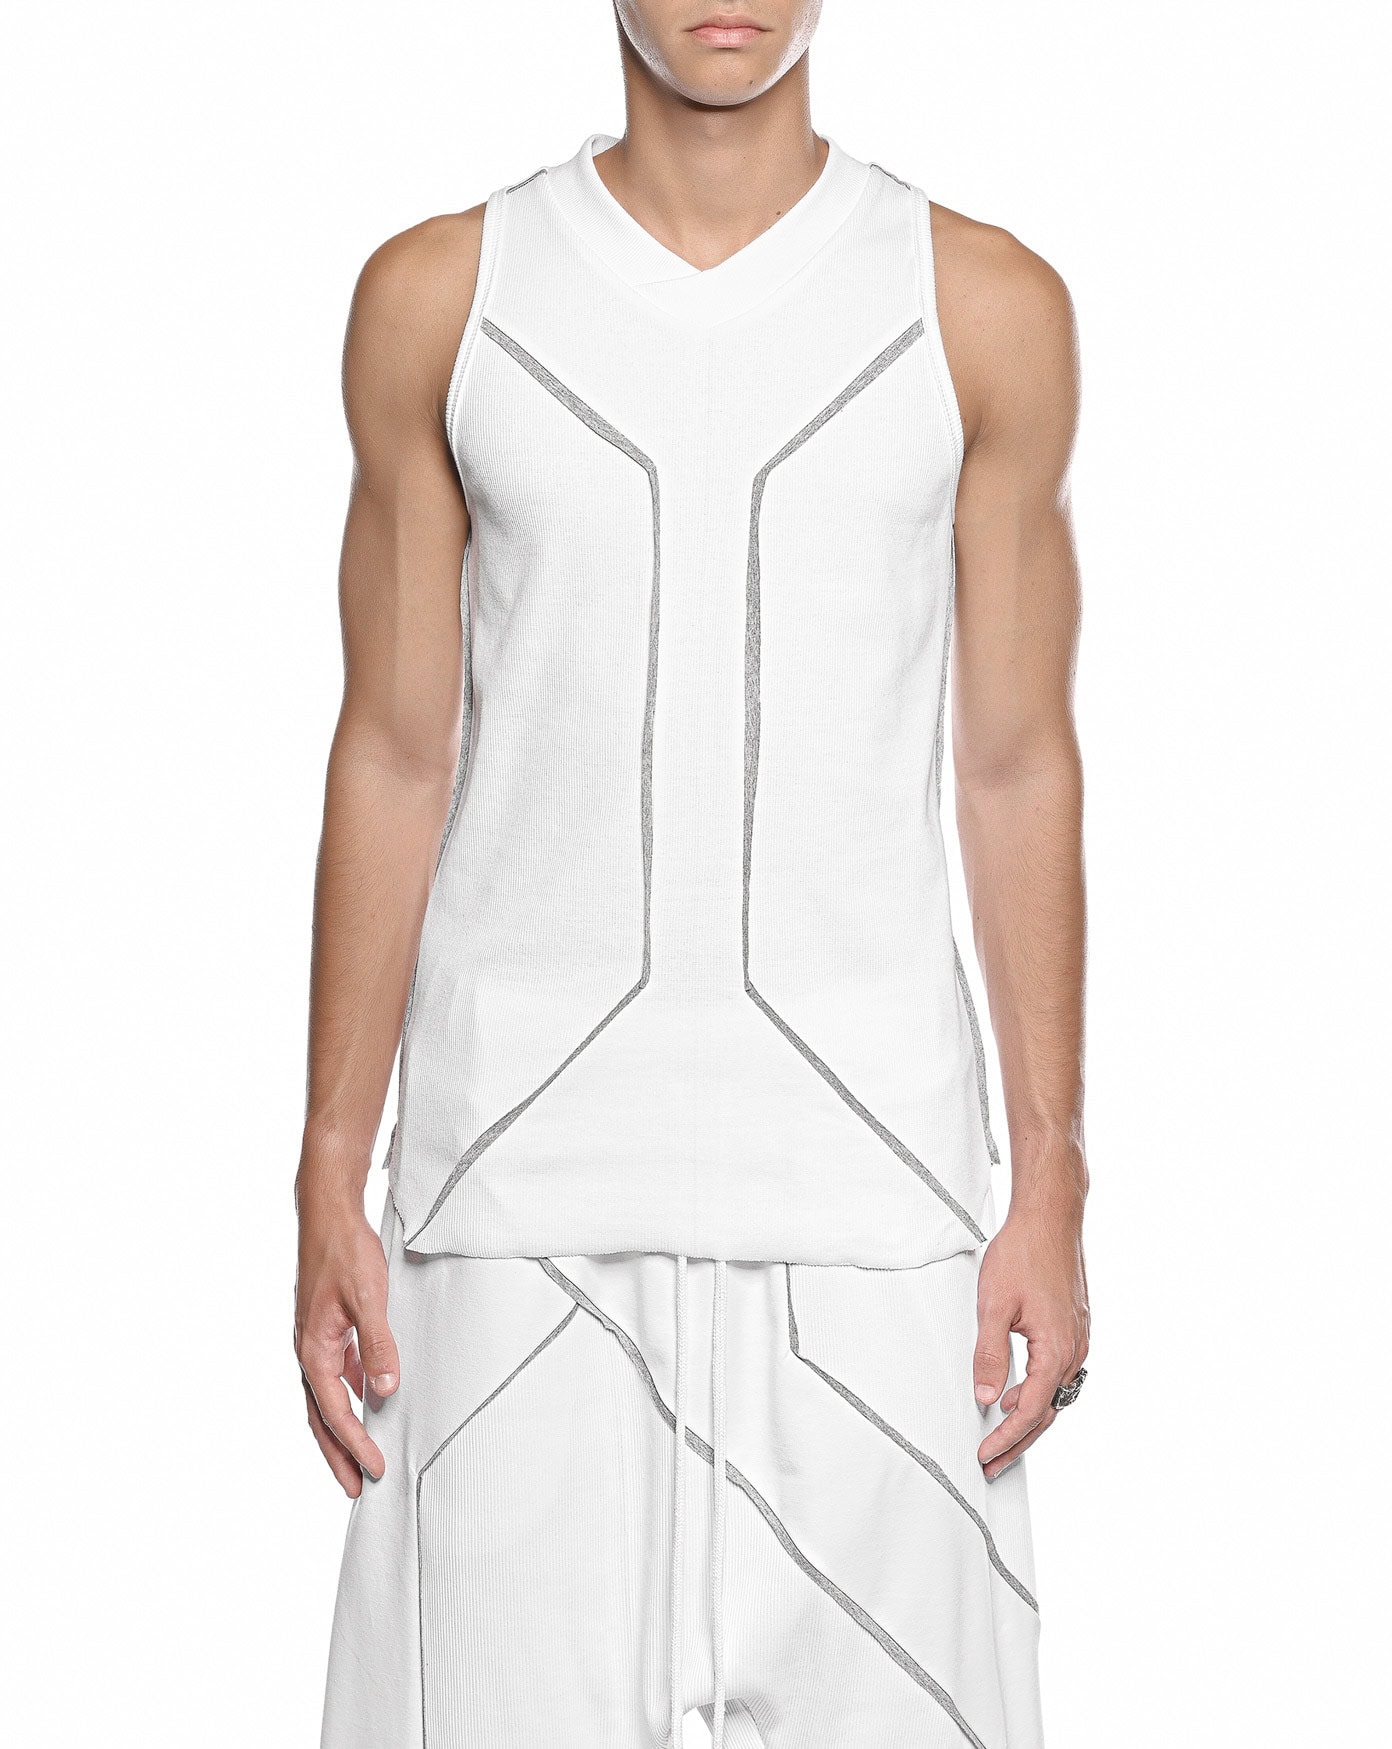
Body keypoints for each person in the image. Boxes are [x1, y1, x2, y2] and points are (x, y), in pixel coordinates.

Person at [294, 4, 1090, 1744]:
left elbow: (1016, 755)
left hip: (873, 1218)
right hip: (512, 1217)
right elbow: (395, 748)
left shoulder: (981, 308)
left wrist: (1051, 1172)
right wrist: (329, 1165)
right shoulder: (444, 299)